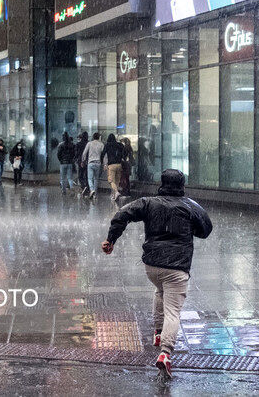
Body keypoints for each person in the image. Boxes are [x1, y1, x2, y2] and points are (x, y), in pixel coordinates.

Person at [101, 169, 213, 378]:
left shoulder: (148, 202)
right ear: (182, 186)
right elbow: (205, 230)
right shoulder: (189, 205)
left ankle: (158, 332)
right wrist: (189, 228)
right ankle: (165, 353)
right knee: (174, 311)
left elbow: (121, 215)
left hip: (152, 266)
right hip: (177, 267)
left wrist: (111, 239)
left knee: (160, 291)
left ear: (161, 183)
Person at [101, 134, 125, 201]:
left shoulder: (108, 145)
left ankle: (116, 193)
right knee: (117, 181)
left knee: (111, 181)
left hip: (111, 165)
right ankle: (114, 196)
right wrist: (122, 158)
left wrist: (102, 163)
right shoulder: (120, 145)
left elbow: (103, 154)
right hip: (119, 165)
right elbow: (124, 153)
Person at [81, 132, 104, 199]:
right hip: (98, 163)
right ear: (99, 137)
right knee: (96, 179)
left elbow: (84, 153)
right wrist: (104, 163)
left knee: (90, 178)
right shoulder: (101, 144)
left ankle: (92, 190)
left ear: (93, 137)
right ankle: (95, 194)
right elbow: (104, 154)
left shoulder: (89, 143)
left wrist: (83, 161)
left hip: (90, 163)